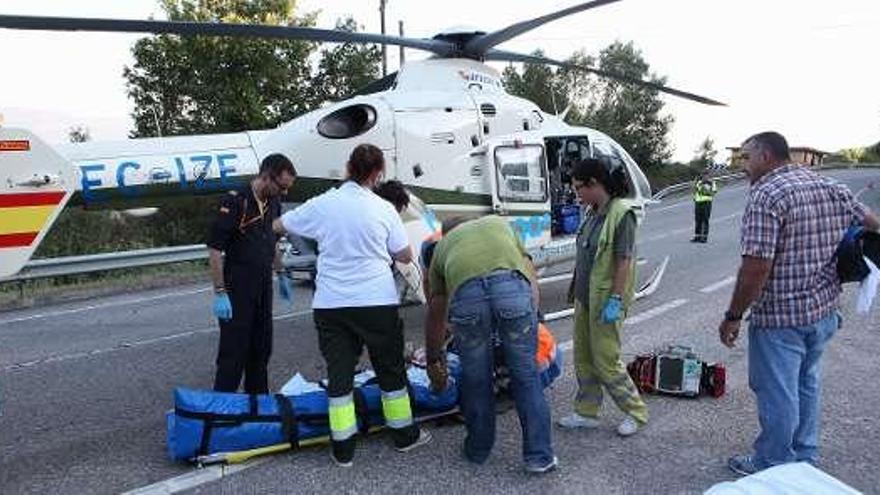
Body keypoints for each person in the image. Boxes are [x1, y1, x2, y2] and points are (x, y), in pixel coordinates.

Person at [718, 131, 880, 476]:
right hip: (823, 311)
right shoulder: (831, 186)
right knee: (806, 383)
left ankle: (773, 463)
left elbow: (756, 267)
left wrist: (733, 316)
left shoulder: (767, 195)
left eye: (746, 158)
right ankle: (804, 457)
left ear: (764, 156)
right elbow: (871, 222)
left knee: (778, 392)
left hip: (781, 317)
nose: (743, 166)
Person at [274, 144, 431, 467]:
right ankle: (403, 435)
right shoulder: (383, 209)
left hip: (331, 304)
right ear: (377, 174)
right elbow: (405, 256)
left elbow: (280, 225)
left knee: (340, 374)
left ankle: (343, 448)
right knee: (389, 370)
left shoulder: (323, 204)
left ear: (348, 167)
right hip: (376, 301)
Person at [424, 215, 556, 474]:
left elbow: (436, 312)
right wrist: (533, 315)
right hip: (512, 292)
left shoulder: (441, 248)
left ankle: (477, 450)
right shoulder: (499, 225)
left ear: (446, 234)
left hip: (467, 300)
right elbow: (529, 274)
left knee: (476, 379)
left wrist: (433, 357)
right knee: (526, 377)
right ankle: (539, 458)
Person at [557, 157, 648, 436]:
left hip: (606, 301)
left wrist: (616, 299)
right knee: (584, 358)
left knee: (606, 360)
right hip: (586, 299)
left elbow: (624, 260)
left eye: (578, 188)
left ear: (594, 184)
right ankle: (587, 412)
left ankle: (636, 412)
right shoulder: (593, 212)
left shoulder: (622, 213)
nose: (576, 195)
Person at [207, 154, 297, 394]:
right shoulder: (236, 201)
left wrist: (281, 273)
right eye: (282, 187)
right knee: (234, 354)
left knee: (261, 351)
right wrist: (219, 292)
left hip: (262, 286)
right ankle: (221, 412)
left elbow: (272, 241)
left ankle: (257, 409)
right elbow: (215, 249)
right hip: (237, 288)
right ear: (267, 177)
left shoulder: (273, 203)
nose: (284, 193)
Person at [691, 170, 718, 243]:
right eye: (703, 175)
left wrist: (705, 190)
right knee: (698, 220)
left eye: (706, 175)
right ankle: (697, 236)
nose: (704, 177)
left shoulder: (712, 183)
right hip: (698, 202)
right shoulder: (699, 182)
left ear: (708, 176)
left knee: (705, 220)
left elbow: (713, 192)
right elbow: (694, 190)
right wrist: (695, 182)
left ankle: (704, 237)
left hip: (706, 203)